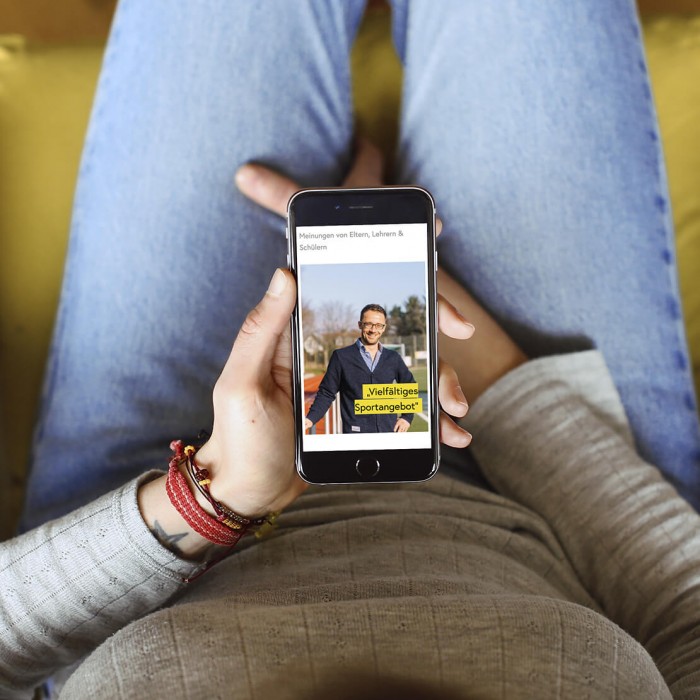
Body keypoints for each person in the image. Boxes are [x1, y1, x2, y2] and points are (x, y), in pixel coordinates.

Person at [2, 1, 700, 698]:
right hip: (533, 468)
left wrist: (214, 494)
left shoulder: (362, 360)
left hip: (156, 497)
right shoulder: (365, 351)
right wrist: (403, 282)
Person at [304, 303, 418, 434]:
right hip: (355, 435)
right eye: (368, 324)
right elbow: (327, 393)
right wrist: (311, 419)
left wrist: (407, 417)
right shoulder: (341, 357)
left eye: (378, 325)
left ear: (384, 328)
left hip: (388, 434)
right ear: (360, 325)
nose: (373, 330)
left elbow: (410, 387)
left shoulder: (393, 358)